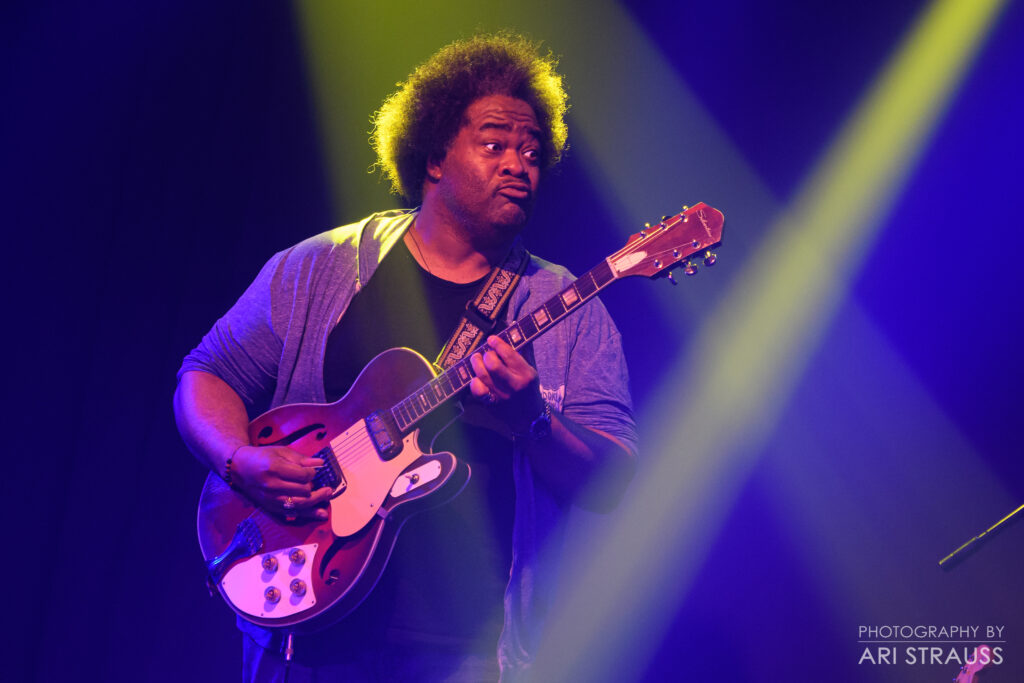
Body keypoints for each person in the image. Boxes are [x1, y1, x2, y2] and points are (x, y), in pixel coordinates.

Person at [174, 33, 637, 682]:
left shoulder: (568, 307)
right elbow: (205, 374)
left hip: (468, 650)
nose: (518, 164)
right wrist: (240, 459)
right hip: (305, 638)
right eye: (495, 143)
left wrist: (532, 418)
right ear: (435, 156)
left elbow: (614, 481)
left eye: (533, 152)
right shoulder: (323, 266)